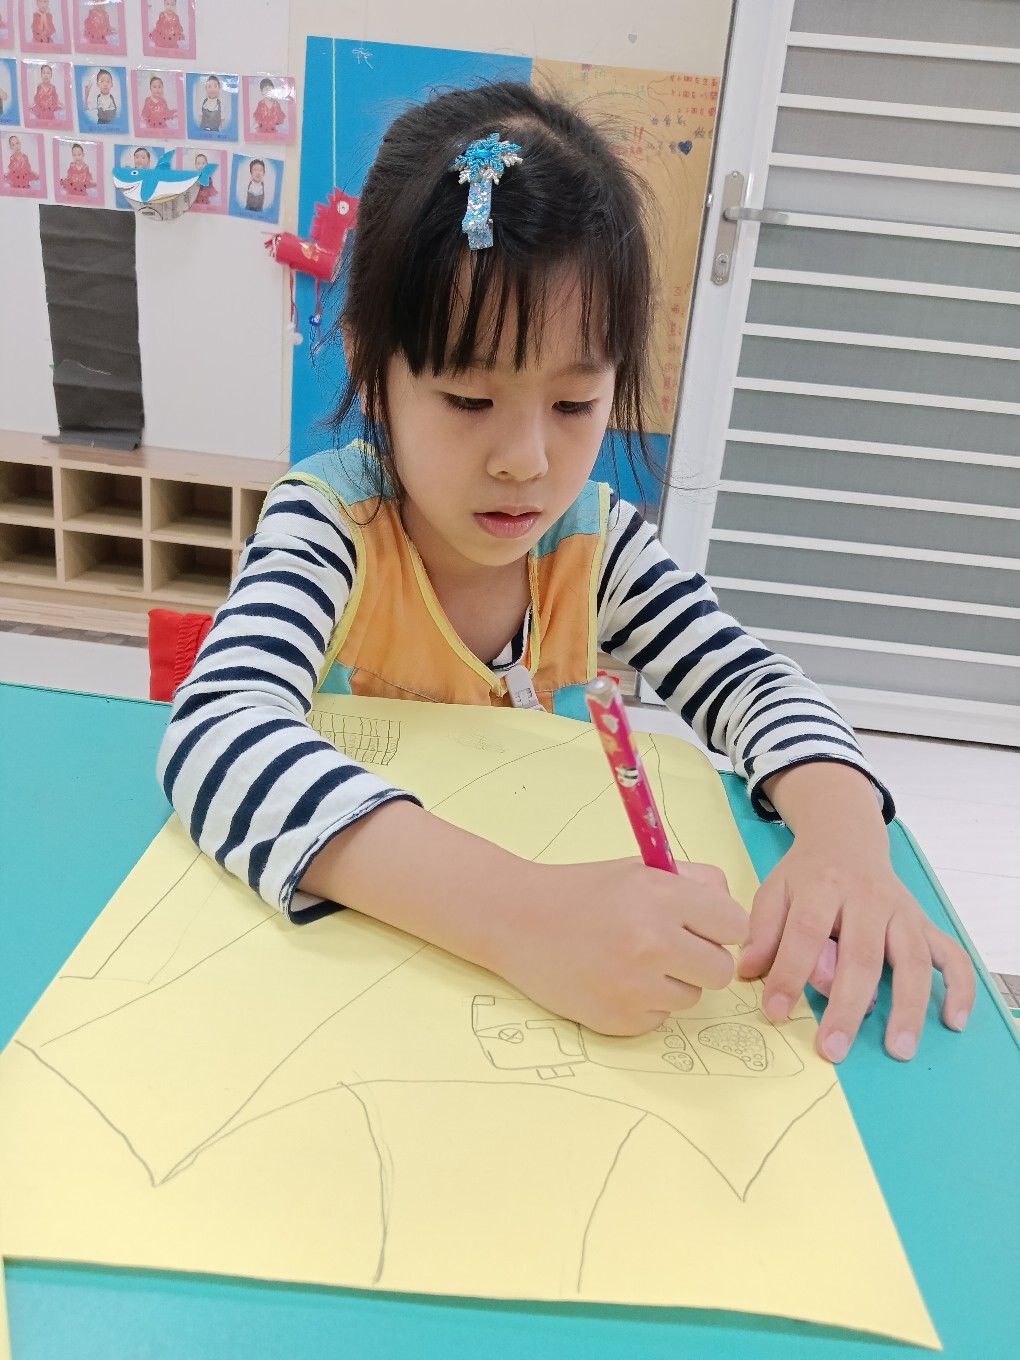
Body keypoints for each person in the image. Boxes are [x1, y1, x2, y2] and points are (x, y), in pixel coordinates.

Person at [159, 82, 974, 1063]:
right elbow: (216, 731)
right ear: (373, 362)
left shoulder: (595, 547)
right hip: (349, 988)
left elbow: (752, 682)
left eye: (576, 403)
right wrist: (525, 915)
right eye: (469, 399)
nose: (526, 461)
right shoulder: (333, 527)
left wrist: (845, 838)